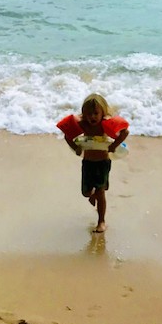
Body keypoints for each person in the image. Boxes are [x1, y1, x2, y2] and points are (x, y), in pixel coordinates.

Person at [56, 94, 129, 233]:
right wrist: (75, 147)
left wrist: (114, 145)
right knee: (86, 192)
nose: (93, 117)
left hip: (102, 162)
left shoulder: (105, 123)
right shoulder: (82, 123)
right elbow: (67, 135)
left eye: (96, 113)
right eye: (89, 114)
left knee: (101, 192)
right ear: (84, 113)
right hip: (87, 162)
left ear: (102, 112)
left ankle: (101, 221)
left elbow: (125, 131)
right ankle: (92, 194)